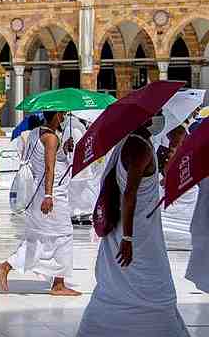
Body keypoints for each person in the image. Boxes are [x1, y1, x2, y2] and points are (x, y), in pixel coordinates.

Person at [76, 118, 189, 336]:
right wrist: (128, 239)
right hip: (135, 233)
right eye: (157, 114)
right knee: (147, 285)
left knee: (119, 284)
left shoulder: (133, 143)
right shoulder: (138, 146)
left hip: (134, 228)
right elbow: (129, 194)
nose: (160, 119)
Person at [0, 111, 80, 296]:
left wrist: (63, 149)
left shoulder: (35, 133)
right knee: (64, 236)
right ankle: (57, 284)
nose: (64, 118)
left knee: (40, 238)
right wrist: (49, 196)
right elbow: (49, 168)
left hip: (38, 193)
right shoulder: (50, 138)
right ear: (56, 115)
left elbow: (45, 161)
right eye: (62, 115)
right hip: (51, 195)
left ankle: (7, 266)